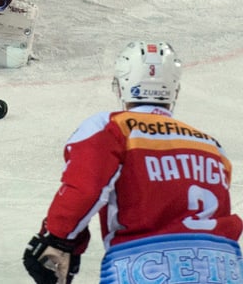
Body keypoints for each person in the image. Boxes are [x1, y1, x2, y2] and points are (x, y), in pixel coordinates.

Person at [23, 41, 243, 284]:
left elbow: (86, 188)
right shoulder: (211, 145)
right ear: (174, 90)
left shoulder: (111, 127)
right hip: (224, 267)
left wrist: (57, 238)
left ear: (121, 86)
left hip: (146, 266)